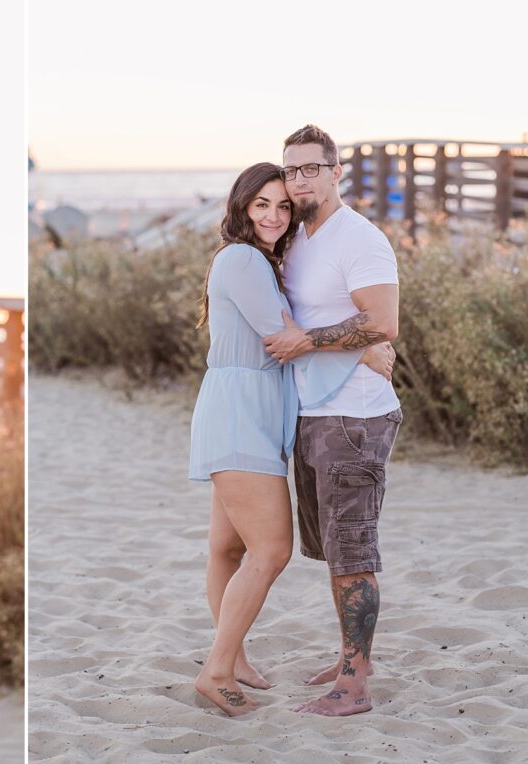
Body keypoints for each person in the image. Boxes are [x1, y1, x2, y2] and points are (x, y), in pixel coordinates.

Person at [189, 163, 393, 716]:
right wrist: (363, 346)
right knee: (271, 549)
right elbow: (285, 338)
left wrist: (340, 340)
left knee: (227, 547)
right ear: (240, 207)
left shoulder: (257, 260)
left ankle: (235, 657)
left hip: (243, 409)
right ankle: (218, 668)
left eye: (283, 206)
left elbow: (294, 329)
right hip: (242, 414)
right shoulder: (242, 258)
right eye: (262, 205)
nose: (275, 215)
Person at [262, 124, 402, 717]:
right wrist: (333, 342)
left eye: (310, 169)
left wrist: (313, 342)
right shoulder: (296, 240)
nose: (298, 180)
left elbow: (383, 323)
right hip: (312, 412)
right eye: (291, 170)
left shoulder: (359, 240)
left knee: (353, 551)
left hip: (355, 415)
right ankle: (354, 656)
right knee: (332, 549)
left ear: (335, 171)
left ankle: (354, 687)